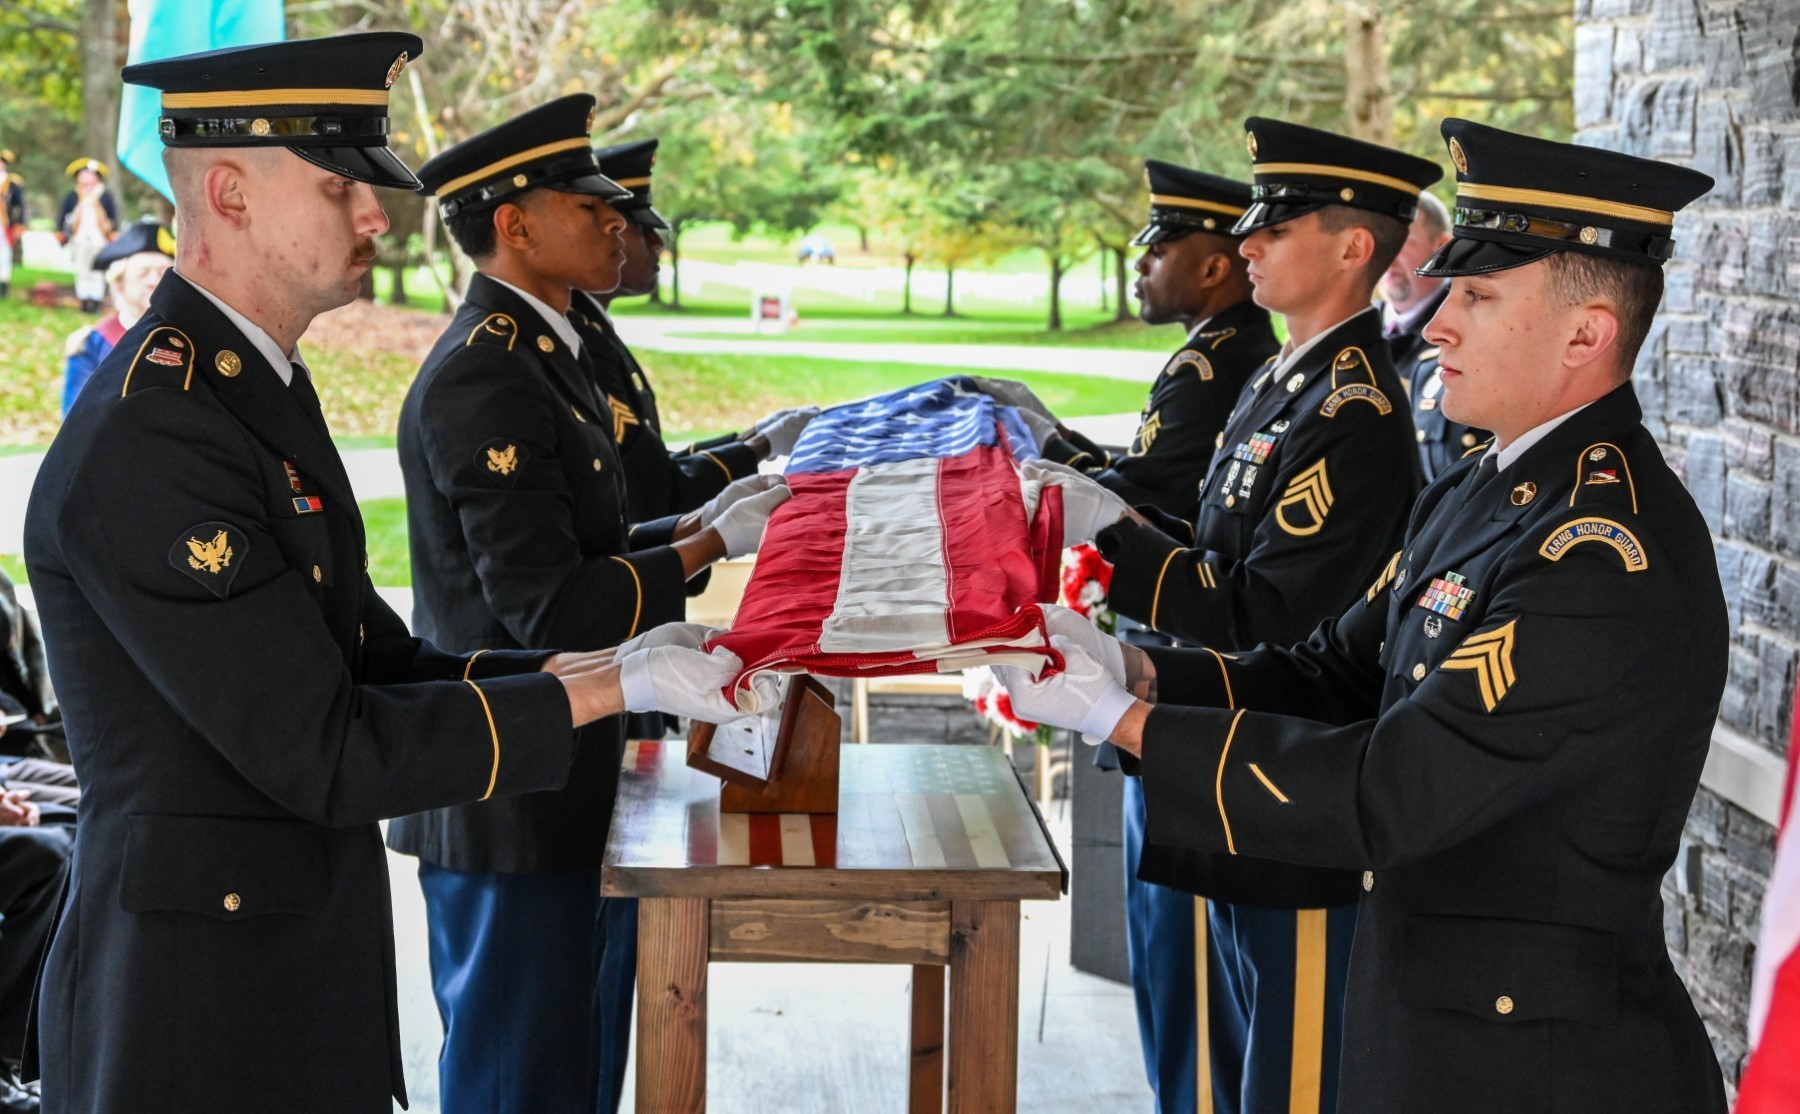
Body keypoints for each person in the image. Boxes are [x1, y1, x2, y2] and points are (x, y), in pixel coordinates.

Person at [997, 118, 1726, 1114]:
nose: (1435, 325)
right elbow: (1338, 671)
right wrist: (1141, 677)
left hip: (1536, 1069)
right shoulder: (1487, 485)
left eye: (1476, 296)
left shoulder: (1597, 551)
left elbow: (1399, 787)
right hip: (1437, 1024)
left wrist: (1121, 724)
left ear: (1586, 333)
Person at [22, 35, 648, 1114]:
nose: (375, 216)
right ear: (228, 192)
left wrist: (589, 661)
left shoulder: (252, 393)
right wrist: (607, 689)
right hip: (191, 1013)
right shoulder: (159, 433)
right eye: (339, 186)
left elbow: (382, 659)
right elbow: (322, 748)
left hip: (283, 962)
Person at [386, 97, 789, 1114]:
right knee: (520, 1077)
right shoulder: (486, 375)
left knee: (582, 1062)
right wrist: (705, 540)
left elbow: (599, 544)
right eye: (588, 207)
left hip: (577, 772)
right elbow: (549, 604)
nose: (618, 224)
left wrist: (709, 516)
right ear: (514, 224)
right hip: (513, 787)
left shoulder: (549, 353)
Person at [1029, 118, 1438, 1114]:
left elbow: (1258, 609)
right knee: (1212, 1042)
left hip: (1281, 780)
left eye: (1277, 225)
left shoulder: (1353, 411)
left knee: (1282, 1073)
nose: (1246, 243)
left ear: (1352, 249)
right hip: (1217, 749)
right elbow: (1219, 557)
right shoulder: (1281, 380)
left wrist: (1112, 531)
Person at [1018, 159, 1279, 519]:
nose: (1140, 264)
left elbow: (1141, 497)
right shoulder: (1243, 344)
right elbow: (1152, 467)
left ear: (1212, 270)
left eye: (1157, 253)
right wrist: (1063, 438)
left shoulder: (1207, 368)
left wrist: (1039, 443)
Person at [575, 138, 815, 529]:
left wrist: (750, 437)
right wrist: (761, 446)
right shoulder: (580, 341)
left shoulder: (592, 329)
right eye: (640, 229)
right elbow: (650, 490)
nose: (657, 245)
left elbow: (651, 461)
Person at [1379, 190, 1485, 478]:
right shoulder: (1356, 327)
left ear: (1441, 247)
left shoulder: (1470, 328)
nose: (1387, 256)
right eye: (1381, 241)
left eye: (1402, 243)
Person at [61, 219, 175, 416]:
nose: (155, 281)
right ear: (118, 284)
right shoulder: (92, 344)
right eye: (143, 273)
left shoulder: (193, 339)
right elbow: (76, 421)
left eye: (163, 273)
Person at [54, 160, 116, 313]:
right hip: (80, 238)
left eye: (89, 174)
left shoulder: (104, 195)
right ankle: (84, 300)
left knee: (97, 270)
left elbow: (113, 216)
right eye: (83, 174)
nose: (86, 177)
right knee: (82, 270)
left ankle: (95, 300)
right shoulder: (73, 195)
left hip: (98, 239)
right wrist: (60, 232)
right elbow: (63, 215)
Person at [0, 150, 24, 300]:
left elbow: (19, 206)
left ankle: (4, 284)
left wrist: (18, 225)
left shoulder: (12, 184)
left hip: (4, 224)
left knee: (4, 254)